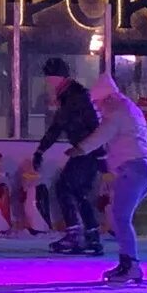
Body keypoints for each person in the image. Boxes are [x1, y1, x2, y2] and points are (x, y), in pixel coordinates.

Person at [79, 68, 147, 285]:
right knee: (120, 216)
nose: (96, 108)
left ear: (106, 98)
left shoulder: (116, 111)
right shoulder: (130, 109)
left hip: (134, 169)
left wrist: (81, 148)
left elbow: (102, 134)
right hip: (143, 168)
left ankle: (131, 265)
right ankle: (127, 263)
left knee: (121, 217)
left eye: (97, 103)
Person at [28, 58, 103, 253]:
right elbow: (58, 126)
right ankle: (92, 236)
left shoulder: (74, 96)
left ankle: (75, 235)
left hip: (86, 150)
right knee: (78, 192)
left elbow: (90, 125)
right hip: (88, 150)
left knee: (64, 186)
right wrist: (41, 149)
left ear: (55, 76)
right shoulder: (69, 95)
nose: (47, 81)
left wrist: (99, 154)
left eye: (48, 77)